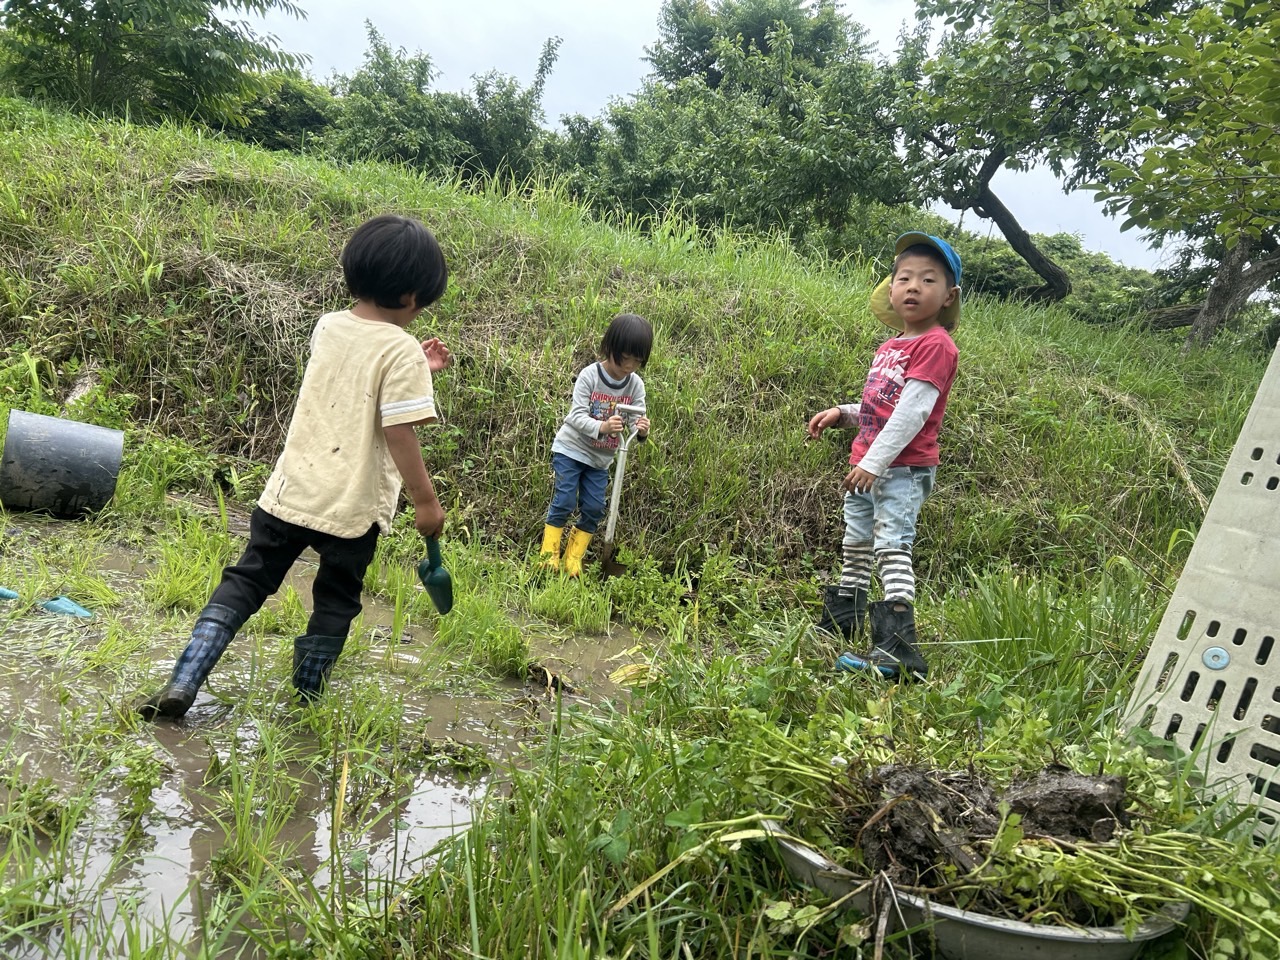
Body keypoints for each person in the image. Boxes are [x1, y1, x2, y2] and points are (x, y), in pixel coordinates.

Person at [139, 214, 453, 719]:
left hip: (291, 491)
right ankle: (305, 703)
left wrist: (415, 364)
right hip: (350, 510)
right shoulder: (400, 351)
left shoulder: (329, 326)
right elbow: (398, 430)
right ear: (413, 296)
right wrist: (426, 501)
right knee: (335, 599)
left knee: (246, 580)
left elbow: (357, 372)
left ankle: (185, 677)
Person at [806, 232, 961, 681]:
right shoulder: (891, 346)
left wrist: (873, 463)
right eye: (905, 278)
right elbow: (882, 407)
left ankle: (898, 651)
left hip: (901, 470)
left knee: (892, 546)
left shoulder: (936, 346)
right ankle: (843, 621)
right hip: (868, 466)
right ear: (891, 289)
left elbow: (913, 413)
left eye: (928, 279)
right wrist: (844, 413)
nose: (914, 286)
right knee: (856, 542)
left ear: (948, 296)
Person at [540, 313, 653, 577]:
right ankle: (548, 556)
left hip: (600, 460)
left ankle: (573, 559)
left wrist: (641, 431)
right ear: (611, 347)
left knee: (593, 508)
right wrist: (602, 427)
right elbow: (576, 416)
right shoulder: (590, 375)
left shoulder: (635, 385)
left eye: (637, 360)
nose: (630, 366)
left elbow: (636, 419)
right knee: (565, 501)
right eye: (625, 357)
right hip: (571, 449)